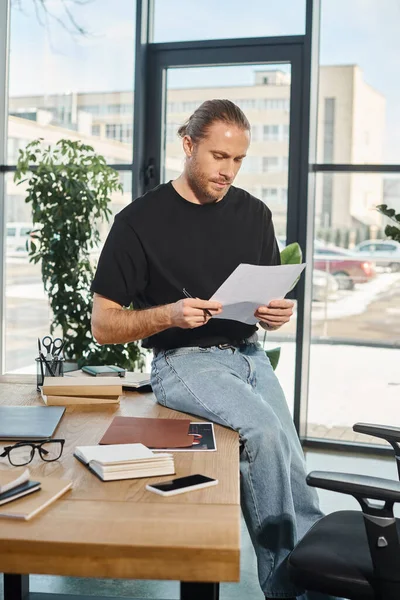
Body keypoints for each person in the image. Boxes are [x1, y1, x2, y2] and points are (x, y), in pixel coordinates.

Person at [91, 99, 336, 600]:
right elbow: (103, 325)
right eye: (219, 156)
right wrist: (167, 314)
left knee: (287, 453)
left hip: (247, 353)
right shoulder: (138, 222)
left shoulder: (255, 214)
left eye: (238, 160)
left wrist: (274, 314)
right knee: (264, 431)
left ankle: (323, 575)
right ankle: (288, 589)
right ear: (188, 144)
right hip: (182, 362)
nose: (228, 171)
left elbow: (266, 298)